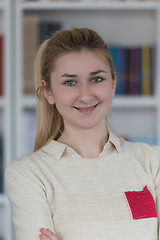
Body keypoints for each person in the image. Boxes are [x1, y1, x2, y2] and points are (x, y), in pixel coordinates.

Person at [5, 28, 160, 240]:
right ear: (48, 92)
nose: (85, 96)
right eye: (70, 82)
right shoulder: (28, 174)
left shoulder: (153, 162)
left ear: (113, 83)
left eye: (96, 79)